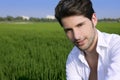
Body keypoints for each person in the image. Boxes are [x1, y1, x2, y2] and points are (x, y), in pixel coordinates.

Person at [55, 0, 120, 80]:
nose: (76, 36)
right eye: (69, 30)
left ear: (94, 19)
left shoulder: (117, 45)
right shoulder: (72, 58)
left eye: (80, 25)